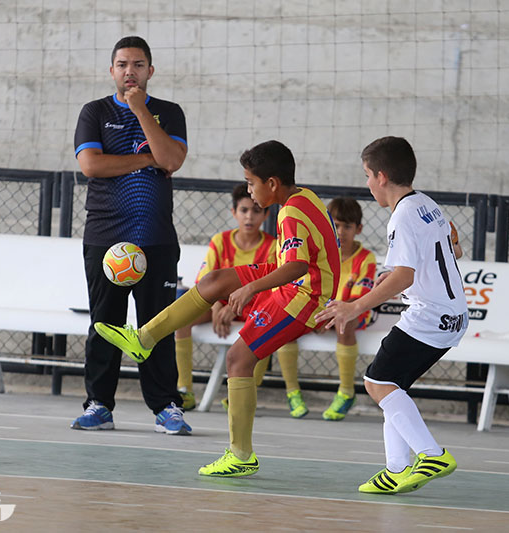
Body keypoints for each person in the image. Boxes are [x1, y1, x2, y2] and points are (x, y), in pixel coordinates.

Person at [94, 140, 341, 477]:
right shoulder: (303, 196)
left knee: (238, 359)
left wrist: (251, 287)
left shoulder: (291, 212)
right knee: (214, 280)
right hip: (289, 280)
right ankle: (144, 338)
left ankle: (241, 455)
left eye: (252, 183)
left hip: (305, 296)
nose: (250, 192)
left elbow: (298, 267)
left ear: (271, 183)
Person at [315, 136, 468, 495]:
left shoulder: (401, 216)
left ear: (381, 177)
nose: (367, 184)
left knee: (377, 382)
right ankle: (395, 469)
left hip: (430, 314)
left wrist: (354, 306)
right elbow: (454, 248)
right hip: (454, 313)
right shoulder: (427, 204)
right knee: (390, 385)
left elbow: (405, 276)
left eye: (368, 175)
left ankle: (431, 454)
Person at [71, 36, 192, 435]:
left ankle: (166, 408)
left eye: (138, 65)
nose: (130, 71)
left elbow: (172, 159)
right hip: (106, 237)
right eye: (122, 64)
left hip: (155, 238)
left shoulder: (169, 113)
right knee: (105, 323)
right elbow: (91, 165)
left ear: (150, 71)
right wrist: (146, 159)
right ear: (112, 71)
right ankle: (99, 405)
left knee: (156, 324)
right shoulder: (95, 112)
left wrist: (140, 111)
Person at [175, 184, 277, 410]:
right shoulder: (220, 241)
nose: (249, 216)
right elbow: (205, 282)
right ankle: (185, 390)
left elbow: (269, 290)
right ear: (234, 213)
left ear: (266, 214)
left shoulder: (273, 247)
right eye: (243, 210)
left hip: (255, 308)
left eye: (256, 211)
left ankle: (243, 392)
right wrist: (214, 308)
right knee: (182, 319)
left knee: (269, 325)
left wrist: (234, 308)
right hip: (219, 306)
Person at [318, 197, 377, 421]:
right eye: (335, 225)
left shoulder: (365, 258)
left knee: (345, 322)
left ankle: (346, 391)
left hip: (355, 314)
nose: (340, 232)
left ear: (358, 229)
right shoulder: (320, 254)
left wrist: (329, 314)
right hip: (323, 313)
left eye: (347, 226)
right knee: (285, 321)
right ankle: (292, 392)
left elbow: (358, 300)